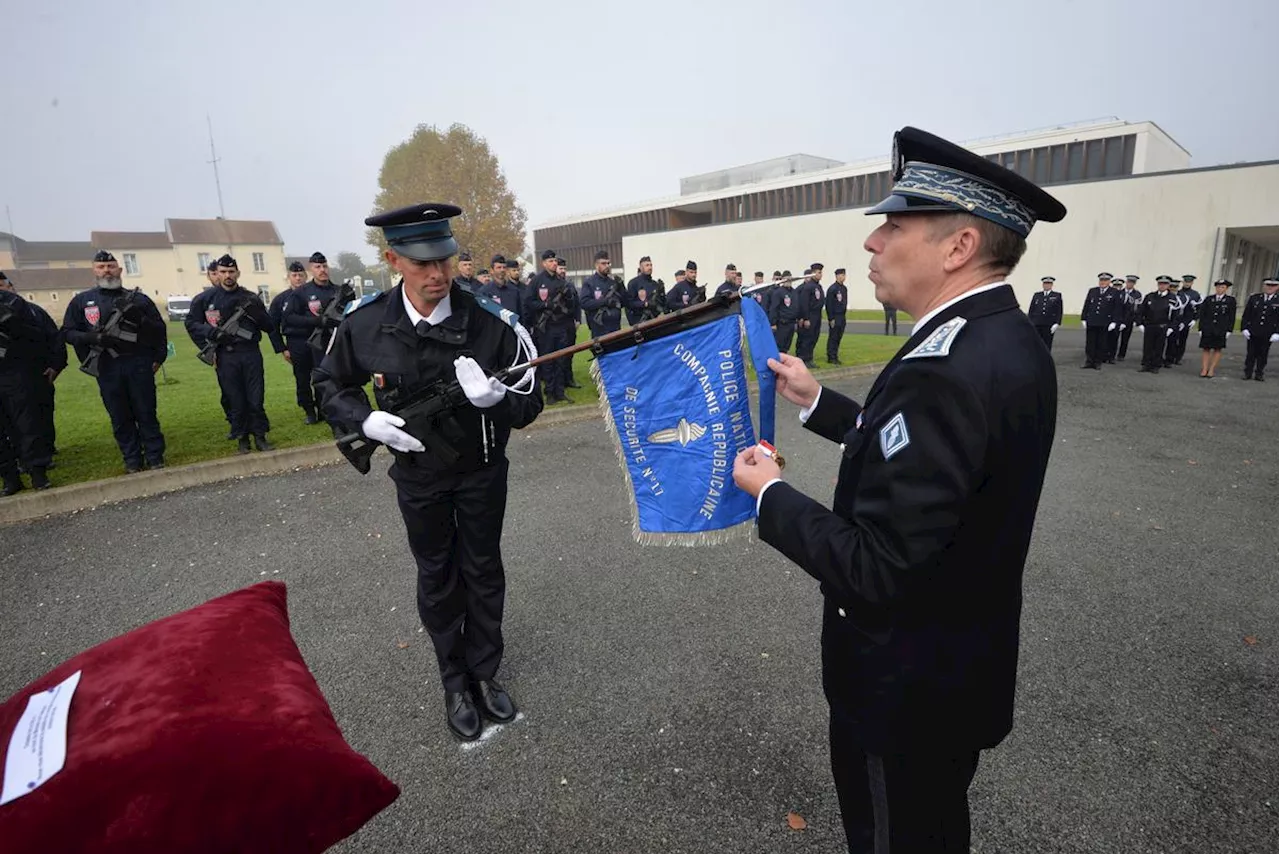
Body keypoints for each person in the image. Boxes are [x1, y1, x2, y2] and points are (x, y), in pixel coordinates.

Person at [732, 126, 1065, 852]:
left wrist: (771, 496)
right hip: (954, 669)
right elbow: (931, 468)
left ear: (959, 247)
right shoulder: (999, 340)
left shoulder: (946, 368)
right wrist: (820, 402)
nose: (873, 242)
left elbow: (878, 567)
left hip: (902, 689)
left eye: (896, 224)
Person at [314, 202, 543, 741]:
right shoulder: (365, 324)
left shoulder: (491, 324)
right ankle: (454, 680)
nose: (437, 274)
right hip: (419, 478)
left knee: (483, 571)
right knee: (437, 577)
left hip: (482, 472)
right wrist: (365, 420)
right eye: (422, 264)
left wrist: (496, 402)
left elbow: (531, 404)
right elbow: (329, 384)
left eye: (444, 258)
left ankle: (484, 672)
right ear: (394, 259)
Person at [62, 251, 169, 473]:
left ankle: (155, 456)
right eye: (101, 267)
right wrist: (92, 338)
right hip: (106, 366)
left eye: (111, 266)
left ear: (120, 270)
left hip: (137, 363)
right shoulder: (82, 301)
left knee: (146, 412)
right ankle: (132, 459)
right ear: (94, 271)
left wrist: (158, 357)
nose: (107, 271)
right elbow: (68, 333)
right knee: (120, 416)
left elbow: (159, 331)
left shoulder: (139, 300)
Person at [186, 255, 285, 453]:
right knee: (235, 399)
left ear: (238, 273)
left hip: (249, 353)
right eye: (223, 272)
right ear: (217, 274)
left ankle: (260, 436)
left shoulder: (250, 298)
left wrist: (258, 313)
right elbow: (191, 324)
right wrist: (210, 334)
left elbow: (269, 326)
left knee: (255, 398)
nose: (227, 276)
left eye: (231, 272)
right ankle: (242, 438)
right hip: (225, 355)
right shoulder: (205, 299)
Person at [0, 272, 62, 494]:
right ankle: (9, 478)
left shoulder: (19, 307)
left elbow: (41, 338)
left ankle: (37, 472)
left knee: (28, 425)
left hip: (17, 373)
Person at [283, 252, 354, 434]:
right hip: (311, 345)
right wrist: (317, 322)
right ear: (311, 269)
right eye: (317, 267)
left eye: (324, 266)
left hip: (335, 343)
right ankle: (316, 412)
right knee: (313, 380)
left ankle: (337, 413)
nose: (322, 270)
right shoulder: (301, 293)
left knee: (336, 380)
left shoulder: (338, 291)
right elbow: (289, 318)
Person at [271, 261, 320, 424]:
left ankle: (323, 408)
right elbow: (273, 327)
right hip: (296, 342)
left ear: (306, 276)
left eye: (301, 275)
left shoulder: (314, 294)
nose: (298, 278)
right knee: (302, 379)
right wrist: (282, 348)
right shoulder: (280, 300)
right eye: (294, 275)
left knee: (321, 376)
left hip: (317, 340)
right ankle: (309, 411)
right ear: (289, 277)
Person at [526, 249, 574, 403]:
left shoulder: (561, 282)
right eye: (551, 261)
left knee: (561, 359)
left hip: (560, 326)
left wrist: (568, 297)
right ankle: (550, 393)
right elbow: (528, 302)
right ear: (544, 263)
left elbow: (571, 305)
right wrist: (546, 305)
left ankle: (560, 391)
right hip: (545, 328)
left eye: (555, 261)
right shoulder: (537, 281)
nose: (554, 264)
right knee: (547, 360)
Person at [1080, 272, 1123, 369]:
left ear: (1109, 282)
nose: (1103, 282)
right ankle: (1089, 361)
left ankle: (1097, 362)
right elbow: (1087, 305)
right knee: (1090, 343)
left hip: (1104, 322)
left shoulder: (1114, 292)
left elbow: (1117, 308)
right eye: (1101, 280)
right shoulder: (1092, 291)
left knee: (1101, 343)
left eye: (1105, 280)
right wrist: (1083, 318)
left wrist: (1114, 322)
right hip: (1092, 320)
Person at [1241, 277, 1280, 381]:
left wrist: (1277, 333)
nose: (1270, 288)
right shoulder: (1254, 298)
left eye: (1273, 286)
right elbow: (1246, 315)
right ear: (1263, 286)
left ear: (1278, 287)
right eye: (1268, 285)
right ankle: (1247, 372)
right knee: (1251, 353)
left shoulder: (1278, 300)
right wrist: (1244, 328)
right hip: (1253, 330)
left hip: (1268, 332)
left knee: (1263, 353)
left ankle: (1259, 372)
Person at [1134, 275, 1176, 373]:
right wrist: (1139, 323)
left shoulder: (1172, 298)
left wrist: (1171, 328)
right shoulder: (1150, 296)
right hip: (1149, 325)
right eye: (1160, 284)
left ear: (1168, 285)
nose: (1162, 286)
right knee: (1147, 346)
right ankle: (1146, 364)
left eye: (1165, 284)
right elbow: (1141, 310)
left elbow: (1175, 315)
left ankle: (1156, 365)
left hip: (1163, 326)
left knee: (1159, 347)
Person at [1197, 279, 1237, 378]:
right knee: (1206, 348)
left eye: (1223, 287)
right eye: (1218, 287)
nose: (1220, 289)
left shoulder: (1230, 300)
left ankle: (1211, 369)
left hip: (1221, 329)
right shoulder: (1209, 299)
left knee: (1217, 349)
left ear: (1226, 288)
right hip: (1208, 328)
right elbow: (1203, 314)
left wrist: (1229, 330)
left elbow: (1231, 316)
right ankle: (1204, 368)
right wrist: (1200, 328)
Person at [579, 250, 623, 337]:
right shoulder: (589, 283)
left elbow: (625, 302)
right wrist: (605, 302)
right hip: (599, 330)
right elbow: (584, 303)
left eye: (608, 263)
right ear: (596, 265)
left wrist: (622, 286)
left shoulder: (613, 283)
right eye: (603, 263)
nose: (607, 266)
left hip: (615, 328)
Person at [795, 263, 825, 368]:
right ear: (813, 273)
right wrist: (806, 318)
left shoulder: (818, 286)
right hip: (810, 315)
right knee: (807, 337)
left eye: (821, 273)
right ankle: (804, 359)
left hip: (817, 315)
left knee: (814, 337)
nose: (820, 275)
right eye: (818, 272)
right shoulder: (808, 287)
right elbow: (804, 304)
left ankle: (809, 357)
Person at [1026, 276, 1063, 349]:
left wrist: (1057, 323)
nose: (1047, 285)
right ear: (1042, 285)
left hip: (1049, 324)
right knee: (1036, 343)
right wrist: (1030, 322)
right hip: (1037, 323)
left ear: (1052, 285)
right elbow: (1031, 309)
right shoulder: (1037, 295)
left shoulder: (1056, 295)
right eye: (1045, 283)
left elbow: (1059, 310)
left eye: (1049, 284)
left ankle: (1046, 360)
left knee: (1047, 344)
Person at [768, 271, 800, 352]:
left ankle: (784, 360)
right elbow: (774, 308)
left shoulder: (794, 292)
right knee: (780, 345)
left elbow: (796, 306)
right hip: (782, 323)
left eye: (790, 279)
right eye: (786, 279)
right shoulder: (778, 292)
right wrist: (773, 323)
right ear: (782, 280)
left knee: (787, 345)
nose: (788, 281)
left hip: (791, 323)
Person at [1174, 274, 1202, 363]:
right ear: (1183, 282)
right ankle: (1170, 356)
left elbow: (1199, 308)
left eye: (1189, 282)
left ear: (1192, 283)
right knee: (1173, 339)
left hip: (1187, 319)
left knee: (1182, 339)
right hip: (1176, 319)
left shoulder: (1195, 294)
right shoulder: (1178, 292)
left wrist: (1194, 319)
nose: (1187, 284)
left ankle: (1178, 357)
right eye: (1186, 282)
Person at [625, 256, 660, 325]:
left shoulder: (655, 284)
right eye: (647, 265)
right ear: (641, 268)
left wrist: (661, 293)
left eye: (651, 265)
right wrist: (645, 304)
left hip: (653, 320)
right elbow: (629, 304)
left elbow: (660, 304)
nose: (650, 267)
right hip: (639, 321)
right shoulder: (633, 283)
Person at [1116, 275, 1143, 360]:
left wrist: (1136, 320)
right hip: (1119, 319)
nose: (1130, 284)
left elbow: (1137, 308)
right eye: (1129, 282)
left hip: (1129, 319)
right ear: (1126, 282)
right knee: (1114, 338)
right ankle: (1110, 354)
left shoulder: (1137, 294)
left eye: (1132, 282)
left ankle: (1121, 355)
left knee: (1125, 339)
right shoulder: (1119, 292)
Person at [825, 268, 848, 364]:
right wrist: (831, 318)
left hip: (842, 316)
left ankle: (835, 354)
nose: (843, 277)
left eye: (844, 275)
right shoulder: (832, 289)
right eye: (841, 275)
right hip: (835, 316)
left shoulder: (844, 288)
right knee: (833, 337)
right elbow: (829, 305)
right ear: (837, 276)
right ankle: (831, 356)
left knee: (839, 336)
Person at [1103, 276, 1126, 362]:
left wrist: (1123, 322)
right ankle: (1104, 355)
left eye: (1119, 285)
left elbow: (1125, 310)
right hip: (1108, 320)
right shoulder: (1110, 293)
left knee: (1114, 339)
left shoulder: (1124, 295)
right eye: (1115, 285)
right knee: (1105, 339)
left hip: (1118, 320)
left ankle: (1111, 356)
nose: (1117, 287)